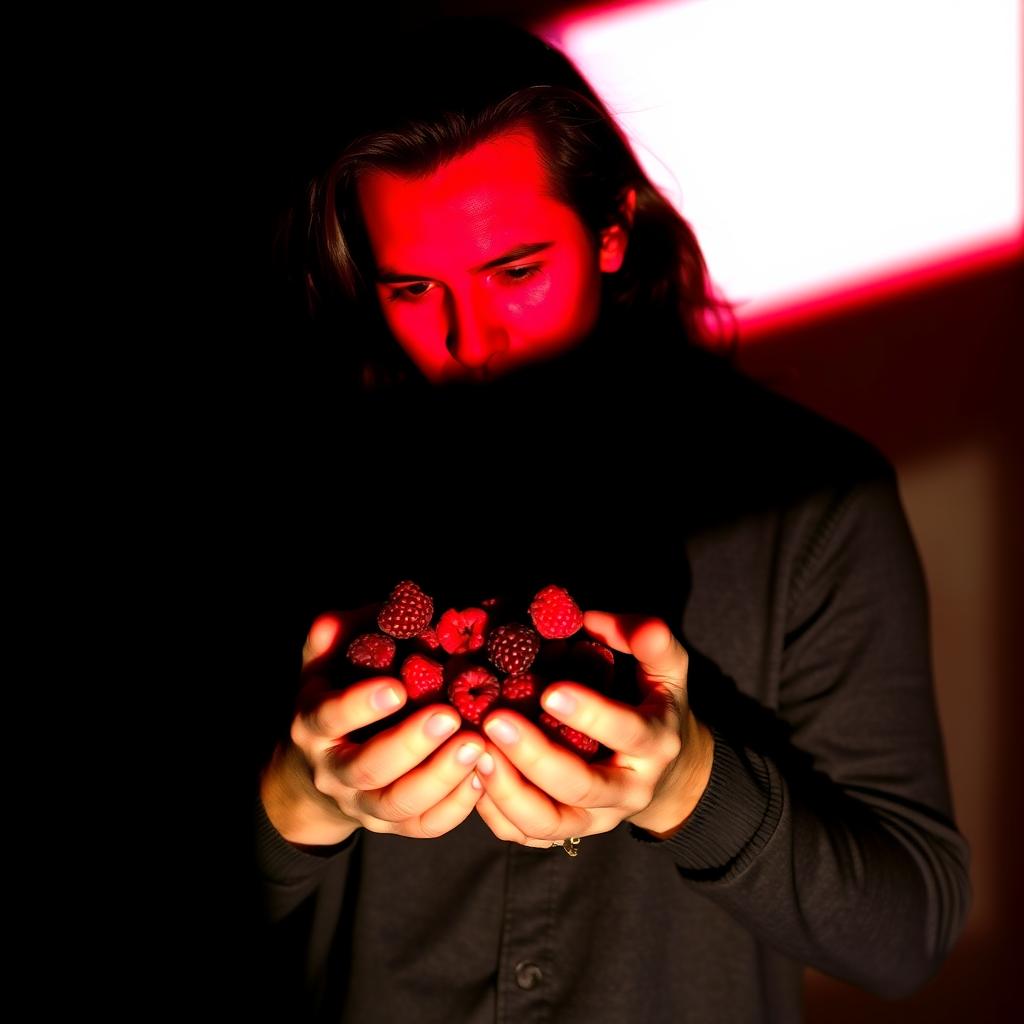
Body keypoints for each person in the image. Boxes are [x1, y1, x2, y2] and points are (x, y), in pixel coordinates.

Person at [253, 16, 970, 1022]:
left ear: (612, 229)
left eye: (515, 272)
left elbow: (906, 934)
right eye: (415, 289)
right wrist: (298, 801)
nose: (471, 339)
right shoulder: (296, 493)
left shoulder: (809, 499)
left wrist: (689, 786)